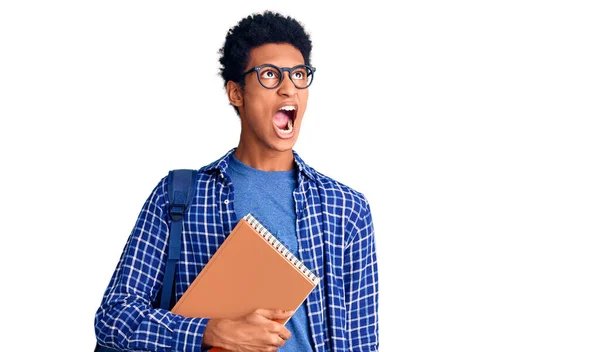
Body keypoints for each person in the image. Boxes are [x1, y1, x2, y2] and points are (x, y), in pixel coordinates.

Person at [94, 10, 379, 352]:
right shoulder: (179, 197)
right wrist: (209, 332)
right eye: (271, 75)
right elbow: (114, 318)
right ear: (236, 93)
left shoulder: (347, 210)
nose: (289, 88)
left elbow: (363, 341)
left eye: (299, 74)